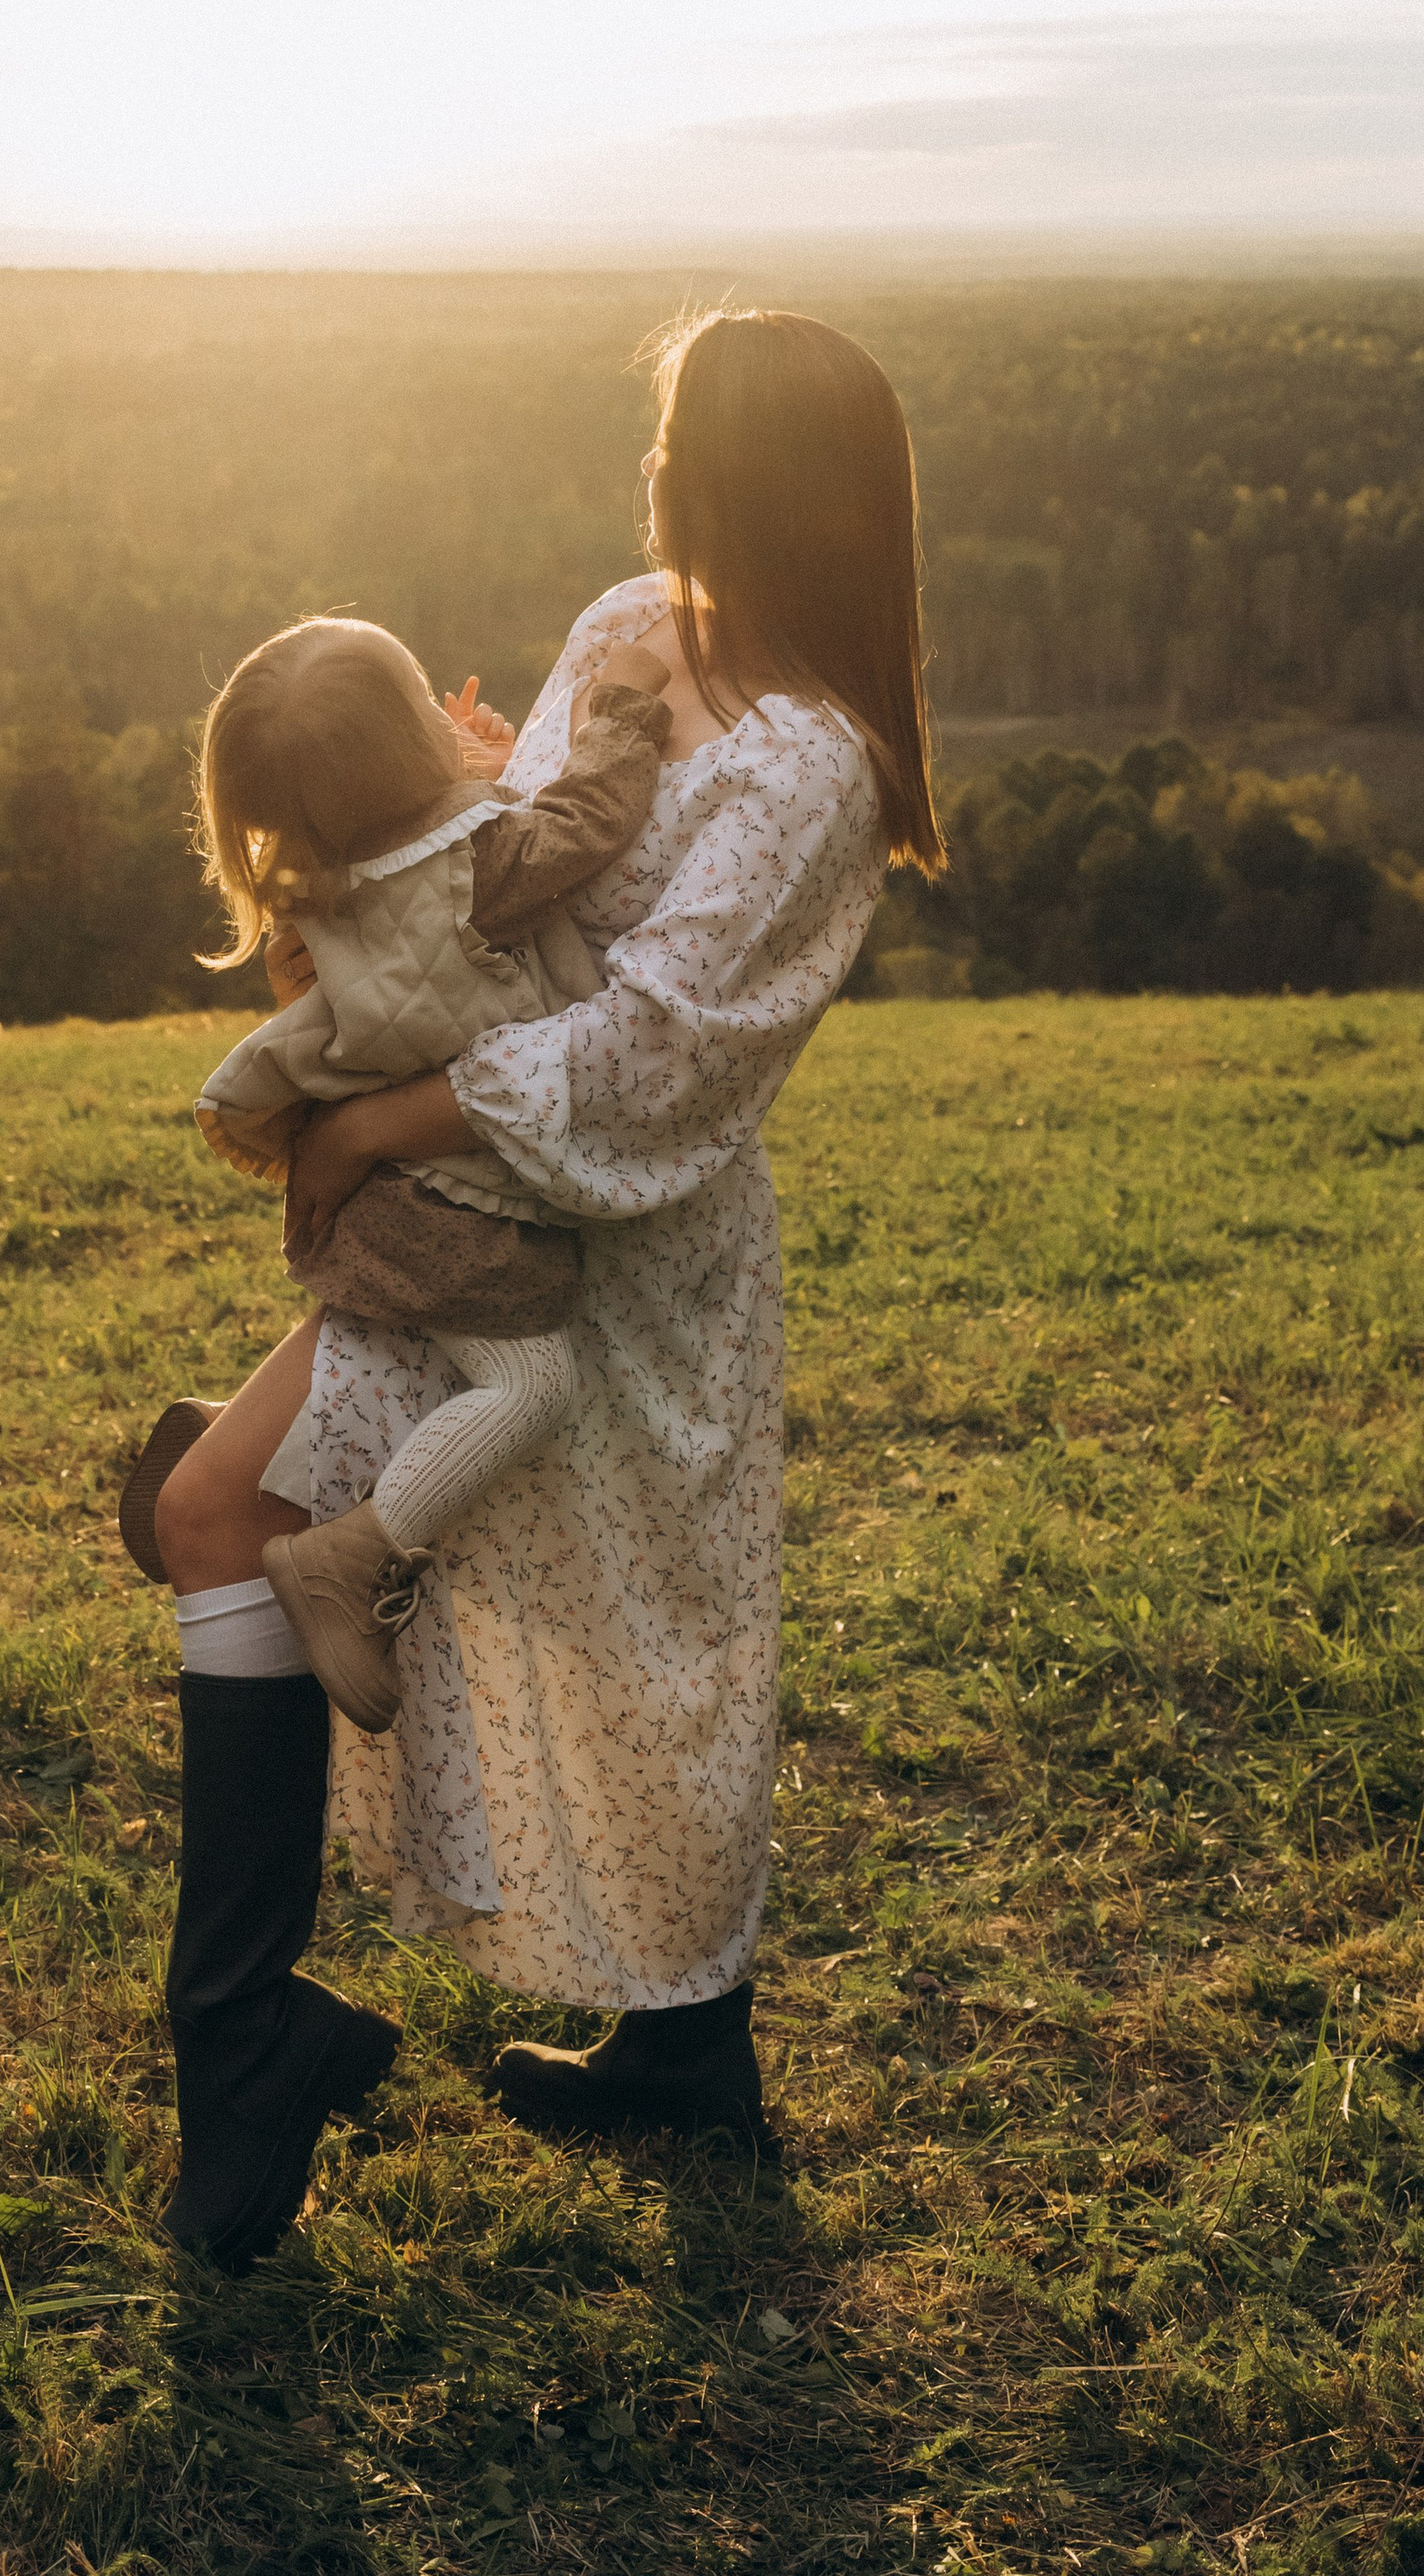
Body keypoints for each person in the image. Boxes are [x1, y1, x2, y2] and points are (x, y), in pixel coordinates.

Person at [135, 309, 944, 2273]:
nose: (651, 472)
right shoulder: (629, 617)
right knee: (216, 1512)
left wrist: (364, 1123)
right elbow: (511, 873)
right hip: (457, 1226)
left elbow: (658, 1051)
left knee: (649, 1652)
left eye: (681, 443)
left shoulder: (811, 764)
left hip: (621, 1264)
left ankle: (681, 2047)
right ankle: (248, 2042)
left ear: (761, 476)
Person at [120, 609, 677, 1733]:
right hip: (453, 1209)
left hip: (388, 1207)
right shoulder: (482, 867)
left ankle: (232, 1439)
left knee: (438, 1368)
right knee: (533, 1385)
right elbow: (590, 816)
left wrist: (445, 765)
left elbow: (421, 849)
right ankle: (350, 1552)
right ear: (409, 752)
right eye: (427, 703)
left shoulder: (332, 877)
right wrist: (621, 706)